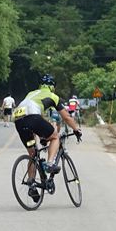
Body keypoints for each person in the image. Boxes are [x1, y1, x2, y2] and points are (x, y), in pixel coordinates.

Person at [13, 74, 82, 202]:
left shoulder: (31, 93)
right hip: (32, 117)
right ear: (52, 87)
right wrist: (76, 129)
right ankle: (50, 163)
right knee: (55, 137)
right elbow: (66, 117)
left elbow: (38, 119)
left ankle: (32, 184)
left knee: (33, 153)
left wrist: (43, 135)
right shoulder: (53, 96)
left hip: (19, 120)